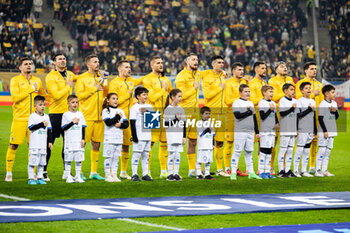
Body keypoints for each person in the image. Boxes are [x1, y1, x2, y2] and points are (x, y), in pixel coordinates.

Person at [5, 57, 46, 182]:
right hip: (20, 119)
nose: (29, 66)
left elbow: (43, 94)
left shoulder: (37, 80)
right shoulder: (15, 80)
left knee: (33, 147)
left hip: (34, 119)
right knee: (13, 145)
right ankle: (9, 172)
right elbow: (15, 98)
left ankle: (32, 174)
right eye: (26, 64)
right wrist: (30, 89)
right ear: (20, 67)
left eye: (30, 64)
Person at [109, 60, 143, 180]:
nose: (129, 69)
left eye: (130, 67)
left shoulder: (131, 81)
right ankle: (111, 172)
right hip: (118, 116)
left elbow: (143, 79)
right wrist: (127, 95)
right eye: (126, 67)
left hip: (129, 118)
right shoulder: (114, 83)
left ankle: (123, 171)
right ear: (119, 69)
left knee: (126, 145)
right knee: (115, 145)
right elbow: (114, 101)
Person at [45, 52, 77, 181]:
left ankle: (67, 171)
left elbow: (80, 78)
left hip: (69, 114)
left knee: (68, 144)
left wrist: (95, 74)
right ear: (54, 62)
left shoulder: (70, 74)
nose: (63, 61)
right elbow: (56, 95)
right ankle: (43, 171)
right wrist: (67, 86)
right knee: (49, 143)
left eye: (64, 59)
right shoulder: (51, 77)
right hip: (56, 113)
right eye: (59, 59)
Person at [76, 54, 107, 180]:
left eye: (98, 61)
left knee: (96, 144)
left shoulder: (101, 78)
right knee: (82, 144)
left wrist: (103, 83)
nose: (97, 64)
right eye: (94, 62)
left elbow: (105, 94)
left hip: (99, 117)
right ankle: (80, 172)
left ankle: (93, 172)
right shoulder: (82, 78)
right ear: (88, 64)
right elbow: (78, 96)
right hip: (86, 117)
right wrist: (93, 89)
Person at [142, 56, 173, 178]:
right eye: (158, 63)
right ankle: (147, 170)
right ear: (152, 65)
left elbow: (173, 94)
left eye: (162, 63)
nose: (161, 65)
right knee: (149, 144)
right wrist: (163, 89)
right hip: (152, 114)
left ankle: (164, 170)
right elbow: (151, 97)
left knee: (165, 143)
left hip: (165, 115)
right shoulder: (147, 79)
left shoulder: (166, 79)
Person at [201, 55, 229, 177]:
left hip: (223, 113)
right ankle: (202, 169)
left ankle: (219, 169)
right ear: (213, 64)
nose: (221, 64)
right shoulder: (207, 78)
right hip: (211, 113)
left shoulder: (223, 75)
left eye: (222, 62)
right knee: (206, 143)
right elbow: (207, 95)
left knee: (219, 143)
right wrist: (219, 88)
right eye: (219, 62)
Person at [175, 53, 201, 177]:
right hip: (184, 113)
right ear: (187, 62)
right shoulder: (181, 77)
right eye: (193, 59)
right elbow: (181, 96)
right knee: (179, 142)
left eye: (197, 59)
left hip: (195, 113)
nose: (196, 61)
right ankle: (173, 170)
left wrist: (223, 73)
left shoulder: (198, 73)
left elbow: (209, 73)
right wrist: (194, 88)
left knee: (193, 141)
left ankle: (191, 170)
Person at [295, 62, 323, 174]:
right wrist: (313, 95)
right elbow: (298, 97)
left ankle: (311, 166)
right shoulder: (300, 83)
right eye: (311, 69)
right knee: (302, 144)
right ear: (306, 71)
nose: (314, 71)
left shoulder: (319, 84)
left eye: (315, 69)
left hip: (315, 116)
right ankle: (297, 168)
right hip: (303, 116)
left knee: (315, 140)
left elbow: (321, 101)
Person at [230, 84, 261, 180]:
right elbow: (237, 115)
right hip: (240, 132)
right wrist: (248, 112)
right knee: (237, 151)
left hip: (250, 132)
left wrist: (257, 131)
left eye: (249, 91)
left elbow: (254, 118)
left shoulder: (251, 103)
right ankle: (233, 173)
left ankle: (251, 172)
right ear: (240, 93)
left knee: (249, 152)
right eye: (245, 91)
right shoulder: (236, 103)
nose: (248, 93)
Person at [268, 61, 294, 175]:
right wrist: (285, 93)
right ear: (276, 69)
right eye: (282, 66)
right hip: (277, 112)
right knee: (274, 141)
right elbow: (272, 96)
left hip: (290, 113)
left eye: (285, 66)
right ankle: (271, 166)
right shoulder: (272, 81)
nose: (285, 68)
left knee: (288, 143)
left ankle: (285, 168)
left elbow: (294, 94)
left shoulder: (290, 79)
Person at [223, 62, 248, 176]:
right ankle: (227, 168)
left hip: (243, 117)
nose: (241, 72)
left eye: (242, 70)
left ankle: (235, 167)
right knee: (229, 142)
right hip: (231, 117)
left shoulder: (244, 82)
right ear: (233, 71)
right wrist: (240, 97)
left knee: (239, 143)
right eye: (239, 70)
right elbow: (227, 101)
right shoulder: (228, 83)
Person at [102, 93, 129, 182]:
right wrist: (117, 116)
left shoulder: (121, 110)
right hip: (109, 138)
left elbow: (126, 124)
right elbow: (108, 122)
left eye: (117, 98)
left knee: (116, 157)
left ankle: (114, 174)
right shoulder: (106, 111)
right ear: (108, 100)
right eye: (113, 98)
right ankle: (107, 175)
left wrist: (120, 124)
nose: (116, 100)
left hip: (119, 138)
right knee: (108, 157)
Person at [129, 87, 154, 182]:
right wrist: (134, 136)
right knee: (136, 154)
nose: (146, 96)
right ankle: (134, 174)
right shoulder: (134, 107)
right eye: (144, 95)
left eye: (147, 94)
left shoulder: (150, 106)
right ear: (138, 96)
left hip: (148, 135)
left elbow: (154, 122)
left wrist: (147, 112)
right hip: (139, 136)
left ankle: (145, 174)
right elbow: (132, 122)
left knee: (146, 155)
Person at [293, 82, 317, 177]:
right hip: (302, 129)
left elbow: (314, 116)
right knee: (299, 149)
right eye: (306, 88)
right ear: (302, 91)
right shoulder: (299, 101)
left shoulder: (313, 101)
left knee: (307, 150)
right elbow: (297, 115)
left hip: (310, 129)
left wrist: (315, 129)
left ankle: (304, 171)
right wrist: (308, 109)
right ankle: (295, 170)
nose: (308, 90)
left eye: (309, 88)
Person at [27, 95, 52, 185]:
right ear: (35, 106)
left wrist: (50, 141)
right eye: (40, 105)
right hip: (35, 144)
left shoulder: (47, 117)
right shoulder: (32, 117)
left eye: (44, 105)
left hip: (43, 144)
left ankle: (40, 177)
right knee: (32, 162)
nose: (42, 107)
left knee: (42, 162)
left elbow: (49, 130)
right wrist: (41, 124)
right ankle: (31, 178)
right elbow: (31, 127)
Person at [61, 95, 86, 183]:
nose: (75, 104)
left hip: (78, 141)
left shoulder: (80, 114)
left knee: (78, 159)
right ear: (68, 103)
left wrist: (83, 139)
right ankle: (68, 176)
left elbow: (83, 127)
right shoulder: (65, 115)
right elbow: (64, 128)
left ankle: (78, 176)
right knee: (68, 159)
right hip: (69, 141)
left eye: (76, 102)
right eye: (73, 102)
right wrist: (72, 122)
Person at [315, 85, 339, 177]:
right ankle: (318, 170)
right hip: (324, 132)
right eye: (332, 92)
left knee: (328, 151)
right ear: (326, 94)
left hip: (332, 131)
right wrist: (325, 131)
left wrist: (335, 111)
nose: (334, 94)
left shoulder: (334, 103)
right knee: (322, 150)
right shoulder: (322, 104)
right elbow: (320, 119)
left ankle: (325, 170)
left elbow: (336, 117)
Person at [163, 89, 186, 181]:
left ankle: (176, 173)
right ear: (172, 97)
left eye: (181, 96)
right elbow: (167, 124)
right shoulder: (168, 110)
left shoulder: (181, 109)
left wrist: (184, 136)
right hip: (171, 136)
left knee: (178, 155)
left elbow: (184, 124)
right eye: (178, 96)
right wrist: (176, 119)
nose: (180, 98)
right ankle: (170, 173)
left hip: (179, 135)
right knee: (171, 154)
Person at [258, 85, 278, 179]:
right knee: (263, 150)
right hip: (265, 131)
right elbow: (263, 116)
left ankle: (267, 171)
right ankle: (261, 171)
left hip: (272, 131)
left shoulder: (273, 103)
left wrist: (277, 123)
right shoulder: (261, 103)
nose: (272, 94)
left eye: (272, 92)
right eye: (270, 92)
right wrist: (270, 110)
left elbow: (275, 115)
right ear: (264, 93)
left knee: (270, 150)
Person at [277, 83, 297, 178]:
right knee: (283, 150)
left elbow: (297, 116)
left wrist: (297, 128)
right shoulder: (282, 100)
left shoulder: (295, 101)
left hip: (293, 129)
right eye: (291, 89)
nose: (293, 91)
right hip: (285, 129)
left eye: (293, 89)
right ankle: (281, 170)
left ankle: (288, 170)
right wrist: (292, 108)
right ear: (285, 91)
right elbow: (282, 113)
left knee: (290, 150)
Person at [196, 106, 215, 180]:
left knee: (208, 160)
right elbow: (201, 133)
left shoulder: (210, 123)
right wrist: (207, 129)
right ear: (201, 114)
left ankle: (207, 174)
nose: (208, 115)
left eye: (209, 114)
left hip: (209, 145)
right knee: (199, 160)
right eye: (206, 113)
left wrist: (213, 144)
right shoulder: (199, 123)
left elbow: (213, 135)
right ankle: (198, 173)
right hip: (202, 145)